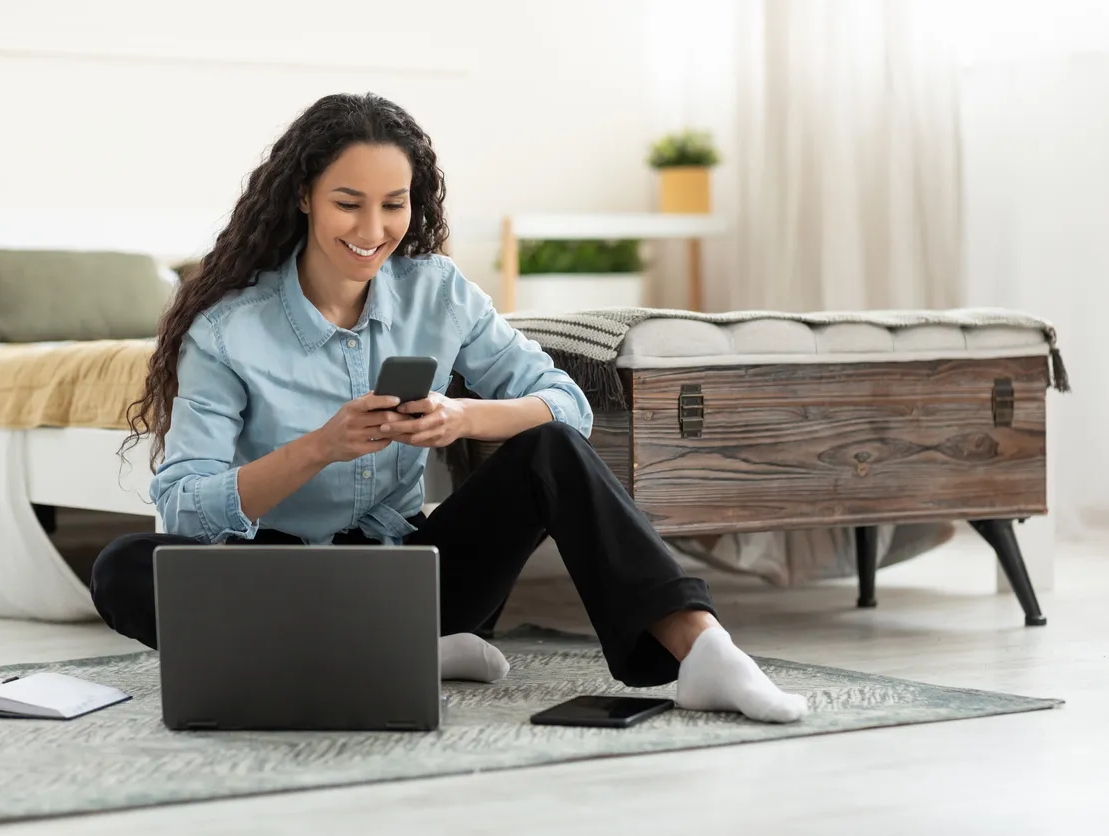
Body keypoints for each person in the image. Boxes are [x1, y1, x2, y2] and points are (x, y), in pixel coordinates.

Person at [94, 92, 807, 724]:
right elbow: (184, 503)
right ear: (303, 197)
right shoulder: (227, 330)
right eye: (349, 202)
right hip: (279, 584)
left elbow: (566, 406)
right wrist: (318, 447)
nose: (372, 229)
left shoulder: (439, 292)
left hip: (414, 577)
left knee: (551, 448)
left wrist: (461, 419)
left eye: (393, 204)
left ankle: (705, 651)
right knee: (124, 567)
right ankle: (401, 656)